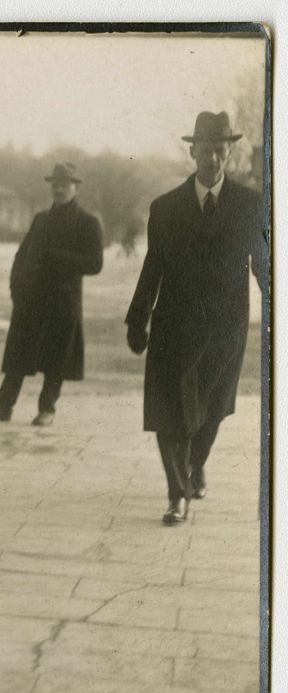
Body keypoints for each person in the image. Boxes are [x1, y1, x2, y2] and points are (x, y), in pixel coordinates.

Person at [126, 111, 268, 525]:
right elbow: (154, 264)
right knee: (171, 409)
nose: (213, 160)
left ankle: (194, 465)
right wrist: (138, 317)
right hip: (175, 322)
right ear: (193, 151)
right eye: (205, 151)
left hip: (227, 325)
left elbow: (262, 262)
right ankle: (177, 495)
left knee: (210, 409)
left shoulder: (250, 204)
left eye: (220, 152)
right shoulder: (166, 208)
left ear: (229, 152)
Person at [0, 163, 104, 426]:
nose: (59, 189)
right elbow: (22, 254)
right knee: (17, 357)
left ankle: (47, 409)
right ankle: (3, 407)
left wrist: (58, 259)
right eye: (55, 184)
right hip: (30, 300)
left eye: (65, 184)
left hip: (63, 300)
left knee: (55, 360)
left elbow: (95, 264)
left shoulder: (87, 222)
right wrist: (16, 285)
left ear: (75, 187)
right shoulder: (41, 220)